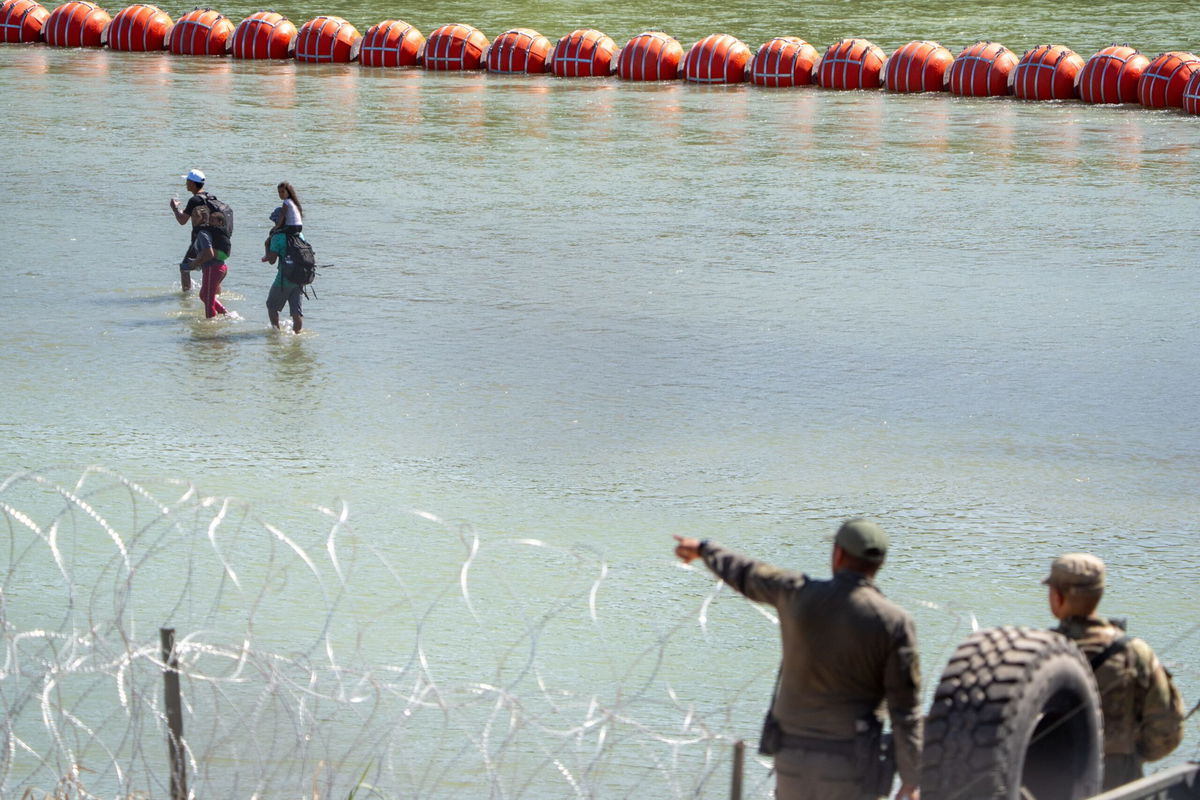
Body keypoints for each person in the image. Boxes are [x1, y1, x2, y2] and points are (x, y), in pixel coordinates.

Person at [673, 519, 922, 800]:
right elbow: (905, 711)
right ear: (879, 564)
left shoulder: (797, 594)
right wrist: (912, 779)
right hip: (852, 767)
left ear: (837, 554)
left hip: (793, 761)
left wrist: (705, 549)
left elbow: (747, 573)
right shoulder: (894, 623)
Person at [1044, 553, 1185, 791]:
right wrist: (1131, 757)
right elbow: (1167, 730)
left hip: (1047, 778)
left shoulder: (1039, 650)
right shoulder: (1135, 652)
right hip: (1119, 781)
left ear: (1057, 597)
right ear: (1099, 594)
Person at [263, 182, 305, 332]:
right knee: (296, 313)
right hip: (300, 279)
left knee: (271, 306)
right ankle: (297, 337)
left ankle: (276, 334)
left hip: (284, 279)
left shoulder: (278, 237)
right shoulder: (299, 235)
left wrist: (267, 245)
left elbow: (272, 260)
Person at [169, 168, 208, 291]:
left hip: (199, 241)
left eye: (187, 181)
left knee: (184, 268)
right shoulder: (210, 197)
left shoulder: (194, 200)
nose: (186, 183)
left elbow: (182, 220)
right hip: (212, 240)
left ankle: (186, 299)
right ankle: (216, 295)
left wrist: (175, 209)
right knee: (209, 269)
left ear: (192, 183)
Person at [188, 226, 228, 318]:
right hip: (217, 268)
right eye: (193, 216)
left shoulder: (203, 233)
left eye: (196, 216)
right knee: (203, 295)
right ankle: (225, 313)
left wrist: (196, 262)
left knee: (207, 298)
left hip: (213, 268)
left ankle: (210, 326)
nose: (194, 219)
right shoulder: (205, 232)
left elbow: (210, 254)